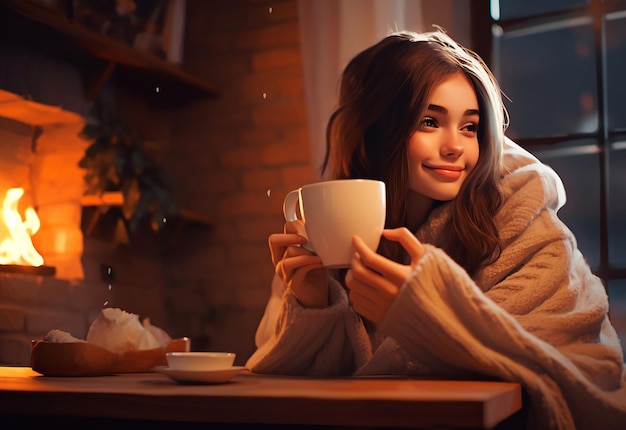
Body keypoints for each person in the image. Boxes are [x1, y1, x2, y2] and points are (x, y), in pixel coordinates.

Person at [245, 29, 626, 429]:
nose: (455, 146)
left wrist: (426, 312)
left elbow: (579, 365)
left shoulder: (523, 216)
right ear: (379, 131)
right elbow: (285, 371)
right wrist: (313, 305)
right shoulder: (334, 222)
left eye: (469, 127)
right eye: (430, 121)